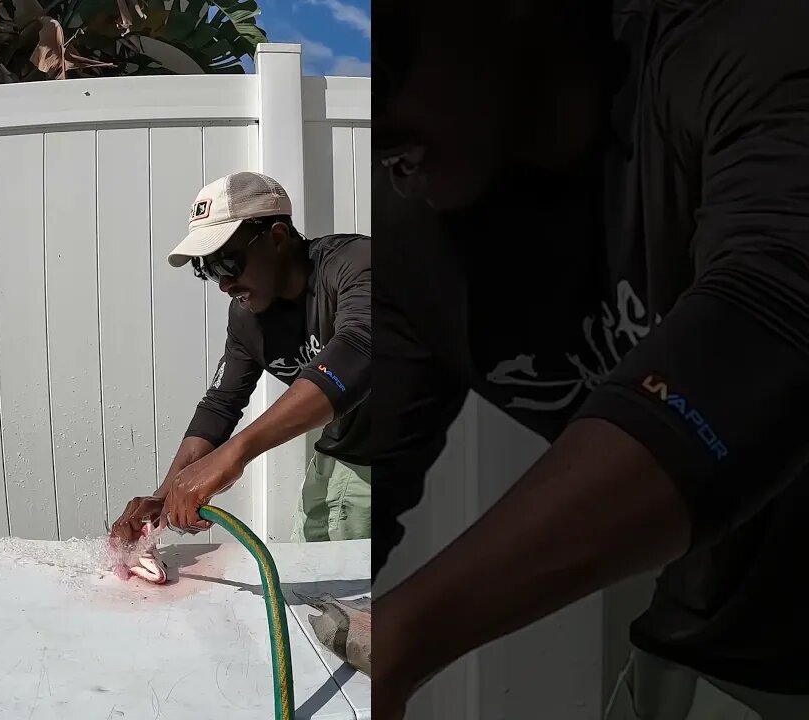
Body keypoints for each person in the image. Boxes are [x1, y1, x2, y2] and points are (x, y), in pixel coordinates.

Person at [369, 0, 809, 718]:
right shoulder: (417, 241)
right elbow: (359, 475)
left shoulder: (746, 46)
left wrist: (402, 636)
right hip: (693, 652)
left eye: (379, 54)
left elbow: (769, 327)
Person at [107, 171, 379, 560]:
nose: (222, 284)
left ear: (278, 238)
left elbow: (360, 351)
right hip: (336, 460)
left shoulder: (357, 265)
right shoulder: (247, 317)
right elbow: (221, 404)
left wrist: (234, 454)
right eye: (207, 269)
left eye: (228, 263)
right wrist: (162, 498)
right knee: (314, 602)